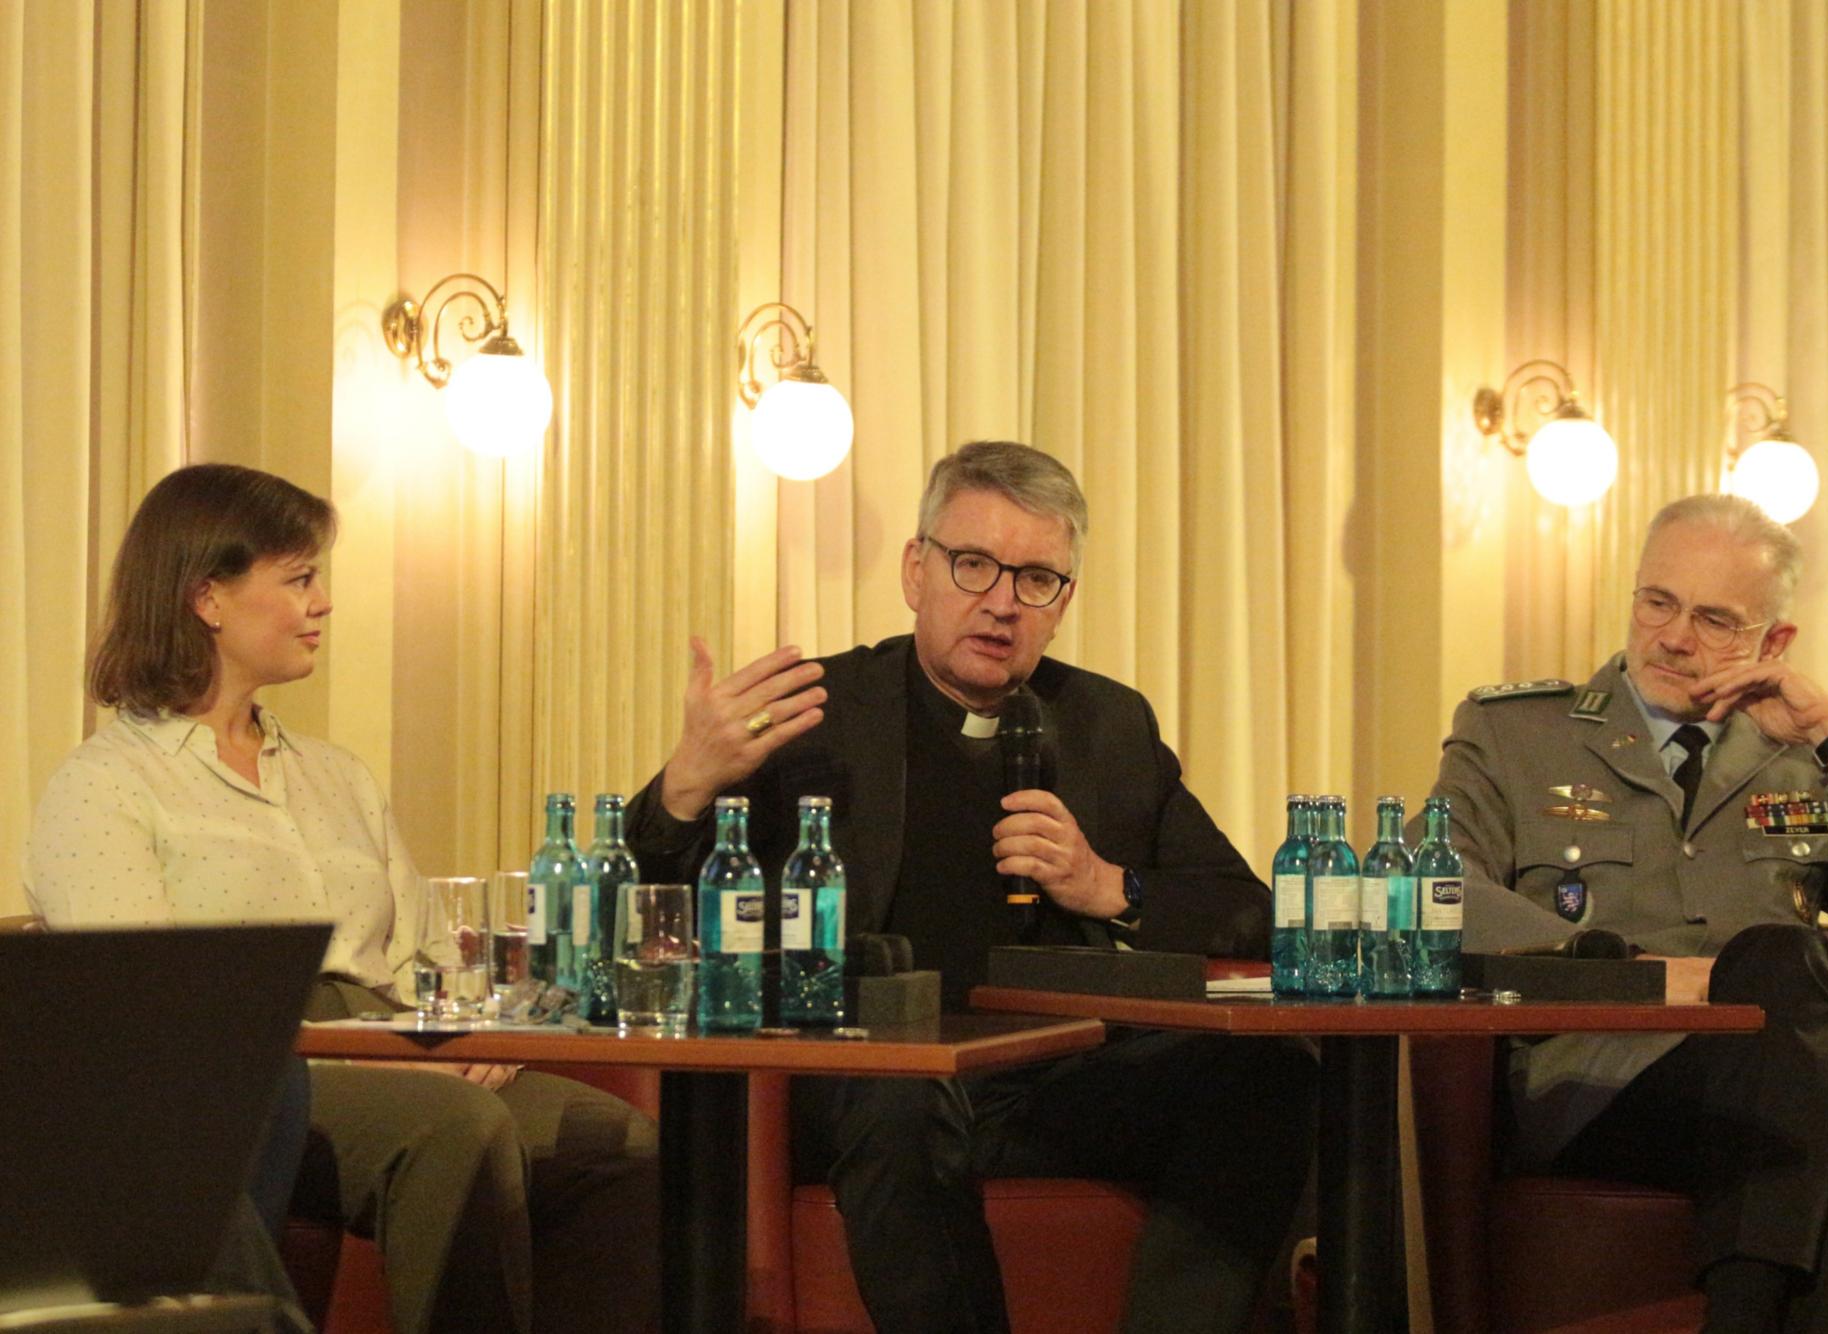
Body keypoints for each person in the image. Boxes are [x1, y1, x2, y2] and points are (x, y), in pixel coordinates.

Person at [627, 440, 1316, 1334]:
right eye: (974, 564)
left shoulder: (1107, 724)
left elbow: (1244, 906)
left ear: (1063, 604)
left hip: (1050, 1077)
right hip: (868, 1075)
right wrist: (684, 786)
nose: (1001, 602)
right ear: (917, 571)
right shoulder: (820, 714)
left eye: (1037, 579)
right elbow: (637, 909)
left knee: (1267, 1075)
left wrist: (1110, 885)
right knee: (903, 1092)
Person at [25, 463, 658, 1334]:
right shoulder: (106, 785)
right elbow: (150, 1013)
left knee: (611, 1138)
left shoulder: (337, 775)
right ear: (207, 597)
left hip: (397, 1033)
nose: (323, 602)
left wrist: (475, 1030)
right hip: (259, 1076)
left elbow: (428, 948)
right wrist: (366, 1056)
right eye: (298, 579)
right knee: (457, 1127)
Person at [1434, 493, 1828, 1332]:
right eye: (1658, 602)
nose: (1675, 637)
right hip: (1598, 1083)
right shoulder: (1517, 733)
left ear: (1774, 642)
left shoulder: (1800, 760)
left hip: (1779, 1078)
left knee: (1812, 1022)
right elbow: (1439, 893)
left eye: (1715, 619)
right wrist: (1634, 974)